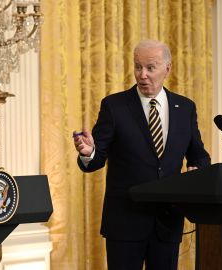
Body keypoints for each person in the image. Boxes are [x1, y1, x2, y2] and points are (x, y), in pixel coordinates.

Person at [73, 40, 210, 270]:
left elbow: (199, 156)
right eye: (138, 67)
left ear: (168, 69)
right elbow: (96, 160)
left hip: (167, 222)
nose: (142, 74)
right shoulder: (114, 106)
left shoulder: (185, 108)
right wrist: (89, 152)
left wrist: (198, 172)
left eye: (150, 67)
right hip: (125, 223)